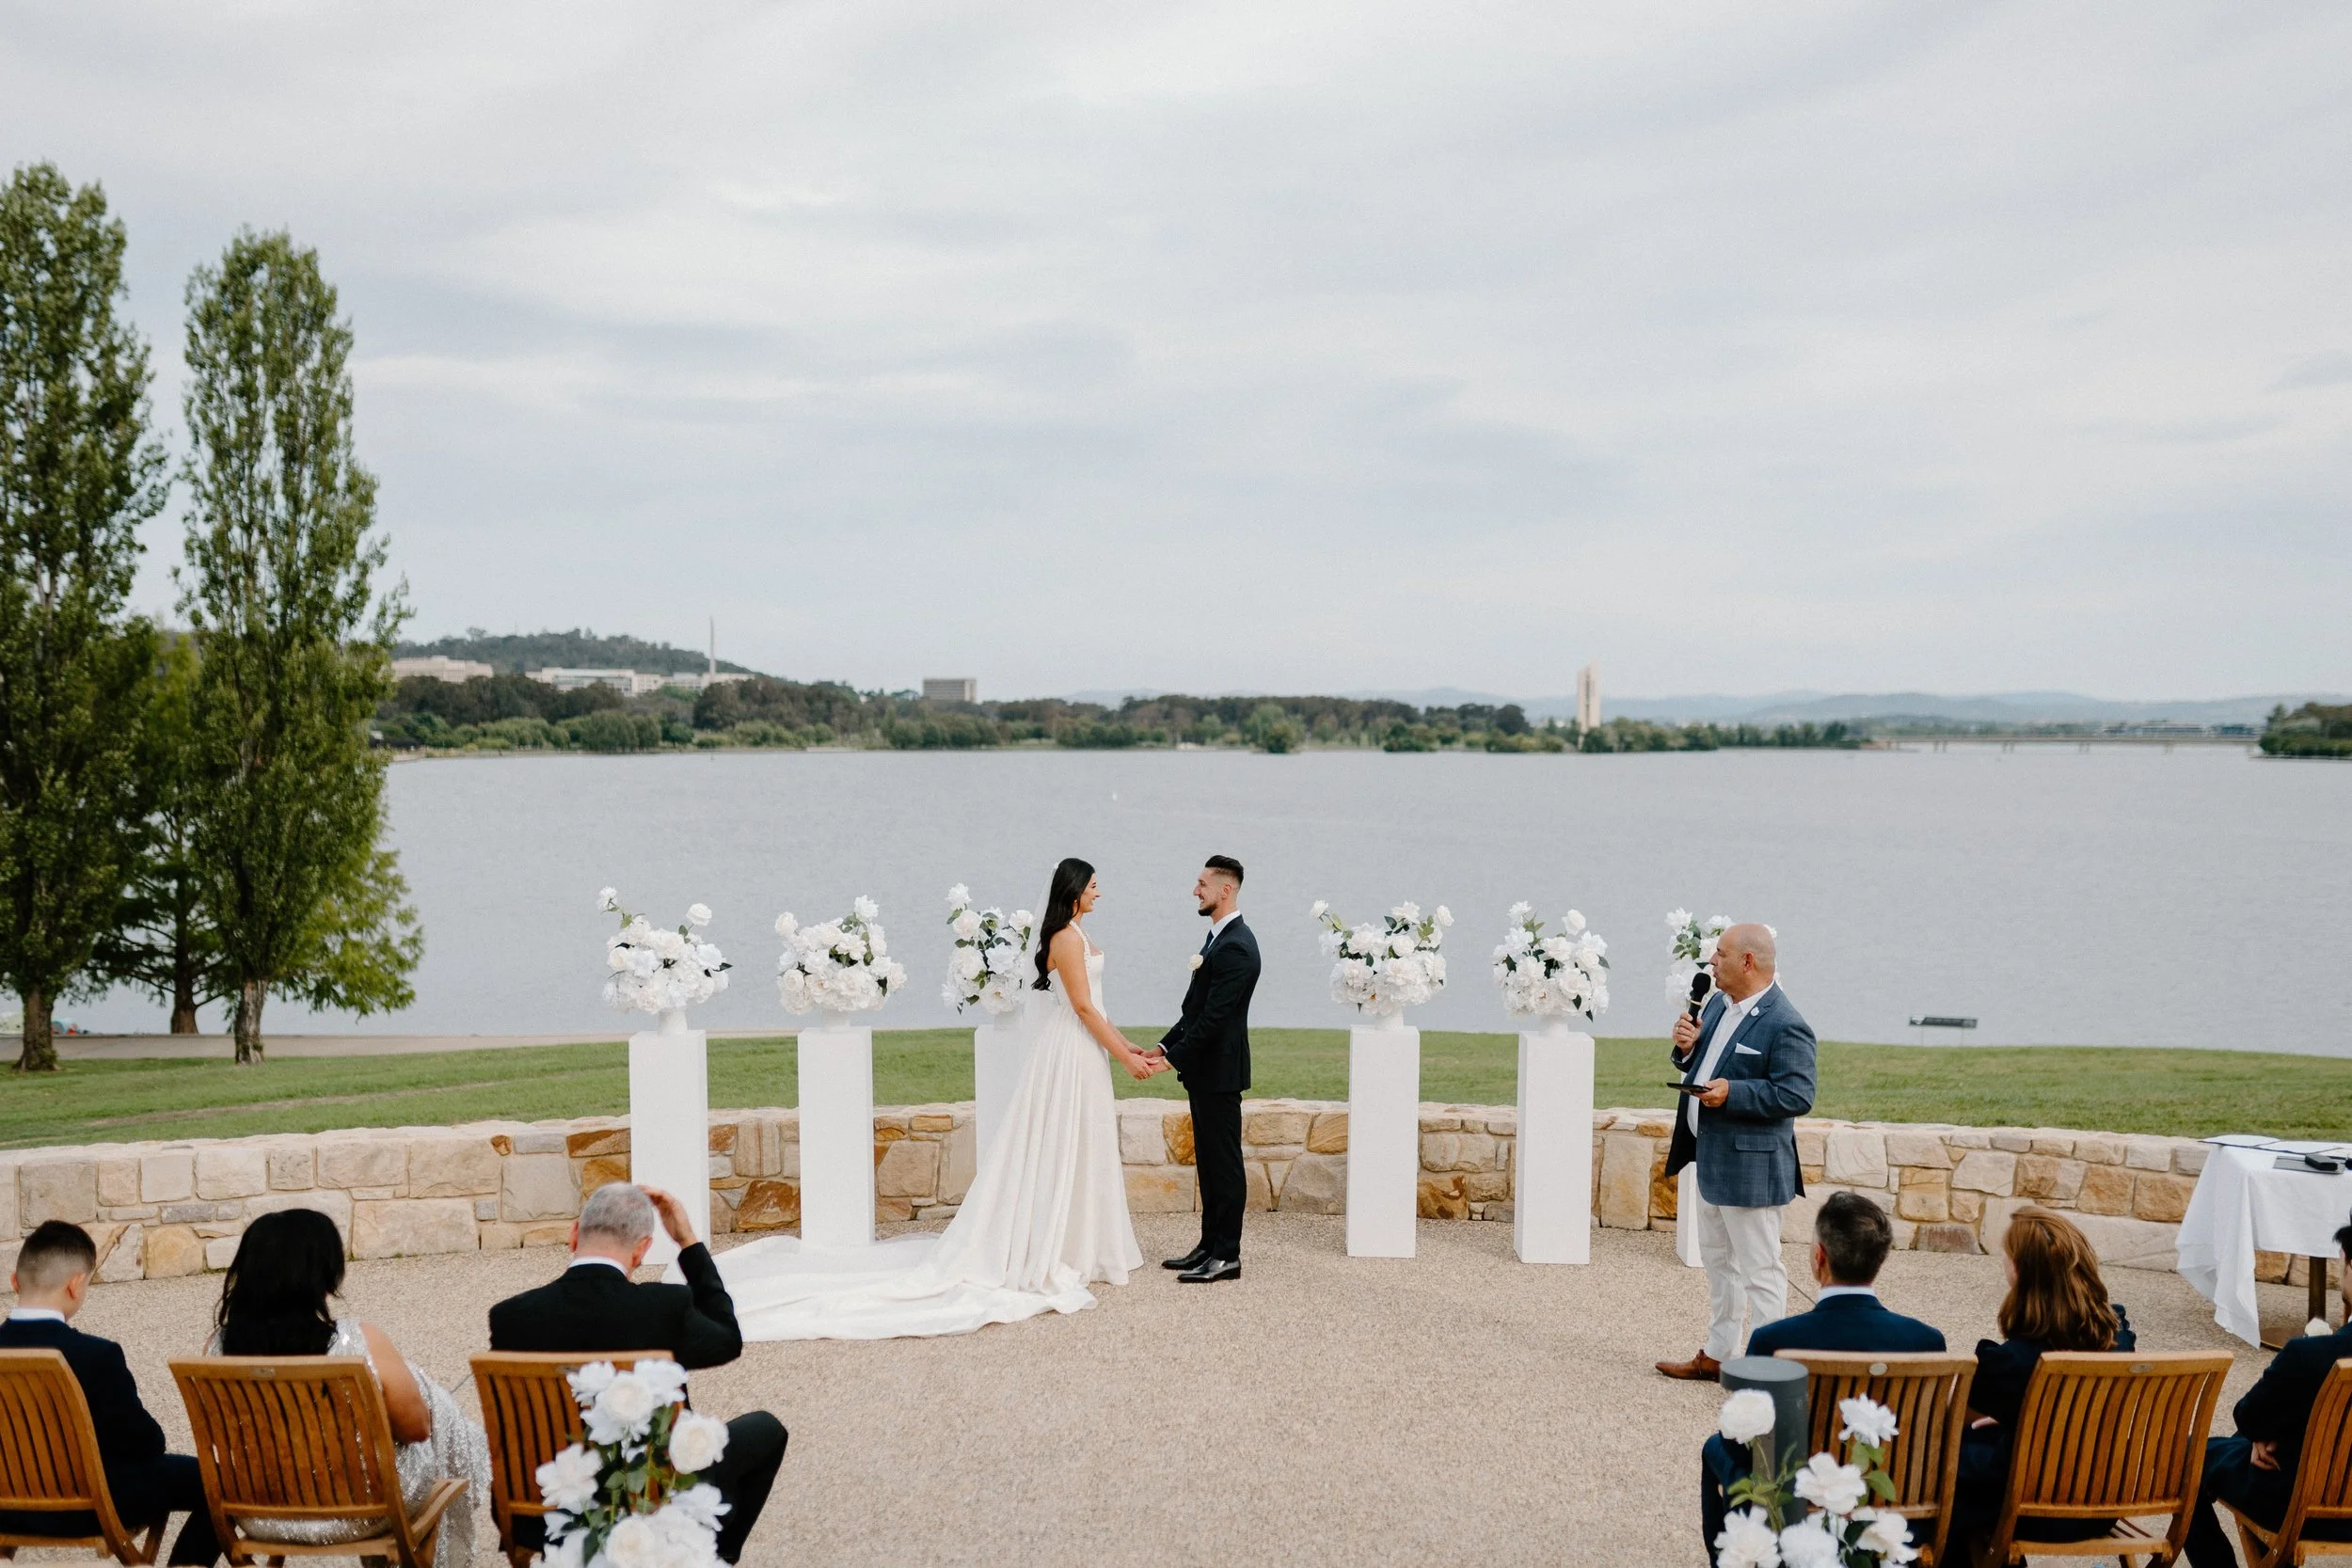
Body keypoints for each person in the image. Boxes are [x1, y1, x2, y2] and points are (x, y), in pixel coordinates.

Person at [707, 857, 1156, 1338]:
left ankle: (1084, 1243)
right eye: (1093, 885)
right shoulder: (1066, 938)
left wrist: (1125, 1044)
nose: (1099, 892)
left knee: (1085, 1143)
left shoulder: (1078, 934)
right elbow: (1083, 1007)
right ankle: (1062, 1246)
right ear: (1073, 891)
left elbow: (1096, 1005)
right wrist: (1126, 1059)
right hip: (1070, 1051)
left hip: (1086, 1048)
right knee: (1068, 1141)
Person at [489, 1183, 787, 1564]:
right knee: (766, 1429)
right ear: (642, 1249)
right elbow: (728, 1340)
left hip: (544, 1509)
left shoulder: (510, 1316)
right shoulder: (665, 1307)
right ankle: (713, 1558)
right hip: (650, 1504)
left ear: (574, 1234)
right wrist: (688, 1242)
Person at [205, 1208, 489, 1562]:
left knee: (415, 1383)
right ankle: (473, 1445)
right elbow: (416, 1430)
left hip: (261, 1513)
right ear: (323, 1275)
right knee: (424, 1395)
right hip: (366, 1509)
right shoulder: (357, 1341)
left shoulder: (216, 1350)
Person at [1698, 1193, 1946, 1561]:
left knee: (1715, 1448)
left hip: (1794, 1515)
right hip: (1893, 1511)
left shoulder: (1775, 1340)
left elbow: (1742, 1446)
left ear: (1819, 1258)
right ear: (1880, 1260)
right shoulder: (1926, 1341)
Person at [0, 1221, 220, 1564]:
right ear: (75, 1285)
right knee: (218, 1481)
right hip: (90, 1508)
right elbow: (143, 1443)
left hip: (7, 1508)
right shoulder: (96, 1355)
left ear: (15, 1282)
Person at [1658, 923, 1818, 1381]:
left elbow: (1797, 1095)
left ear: (1748, 961)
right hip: (1709, 1158)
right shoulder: (1717, 1003)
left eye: (1720, 954)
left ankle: (1767, 1369)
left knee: (1761, 1271)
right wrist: (1685, 1050)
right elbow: (1704, 1062)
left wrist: (1734, 1093)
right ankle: (1718, 1353)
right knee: (1719, 1265)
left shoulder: (1786, 1023)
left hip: (1751, 1168)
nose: (1711, 962)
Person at [1948, 1207, 2137, 1553]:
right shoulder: (2118, 1338)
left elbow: (1960, 1412)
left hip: (2025, 1510)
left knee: (1942, 1458)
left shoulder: (2012, 1362)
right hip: (2101, 1505)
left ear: (2018, 1270)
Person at [2182, 1215, 2352, 1567]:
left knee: (2188, 1456)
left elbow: (2248, 1414)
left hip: (2300, 1504)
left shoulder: (2311, 1355)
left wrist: (2262, 1432)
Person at [1145, 854, 1261, 1283]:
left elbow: (1214, 1020)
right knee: (1210, 1164)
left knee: (1224, 1165)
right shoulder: (1217, 939)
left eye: (1202, 884)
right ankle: (1208, 1245)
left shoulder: (1236, 946)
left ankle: (1227, 1254)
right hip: (1207, 1072)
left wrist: (1171, 1060)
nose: (1196, 890)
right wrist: (1162, 1046)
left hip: (1221, 1073)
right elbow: (1195, 1013)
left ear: (1225, 890)